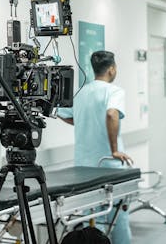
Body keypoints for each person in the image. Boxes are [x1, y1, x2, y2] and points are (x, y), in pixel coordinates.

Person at [58, 50, 133, 244]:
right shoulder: (113, 91)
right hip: (109, 165)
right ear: (111, 69)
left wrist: (83, 121)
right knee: (118, 214)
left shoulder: (82, 92)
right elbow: (111, 114)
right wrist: (114, 149)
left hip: (84, 167)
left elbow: (62, 112)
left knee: (93, 216)